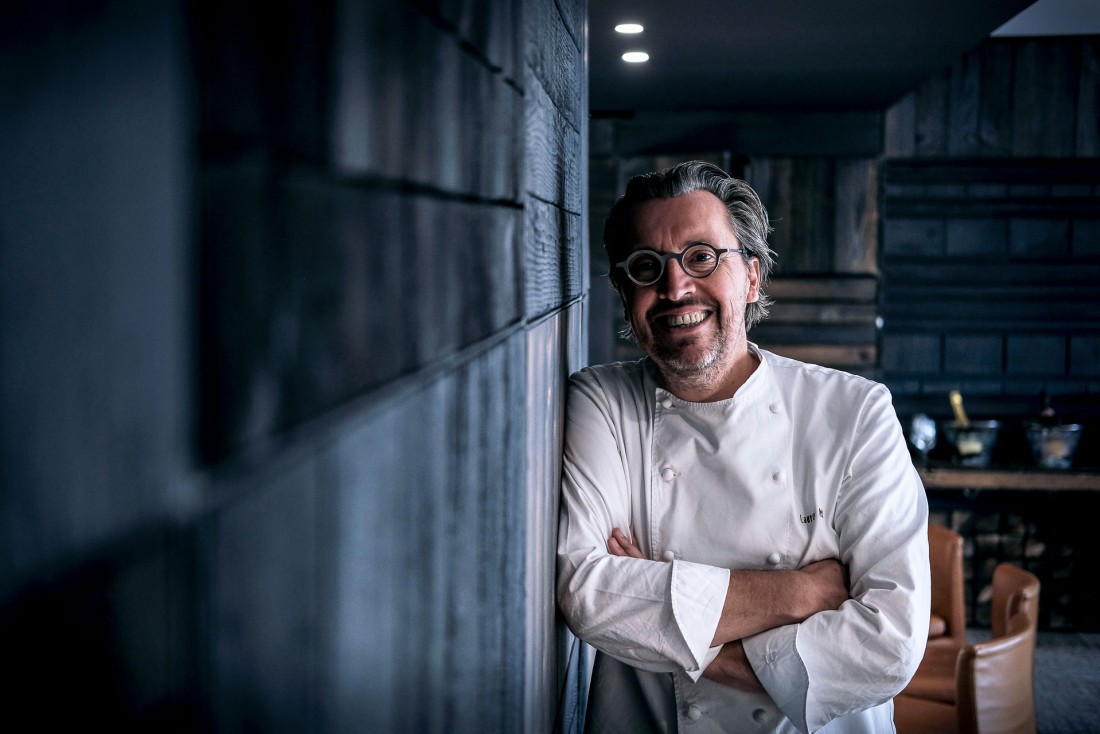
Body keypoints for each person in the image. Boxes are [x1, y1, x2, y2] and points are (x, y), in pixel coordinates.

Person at [557, 161, 930, 733]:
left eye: (702, 257)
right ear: (624, 291)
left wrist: (672, 625)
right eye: (646, 267)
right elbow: (587, 591)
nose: (675, 287)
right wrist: (800, 591)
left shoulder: (854, 412)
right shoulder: (601, 402)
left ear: (752, 278)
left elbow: (891, 646)